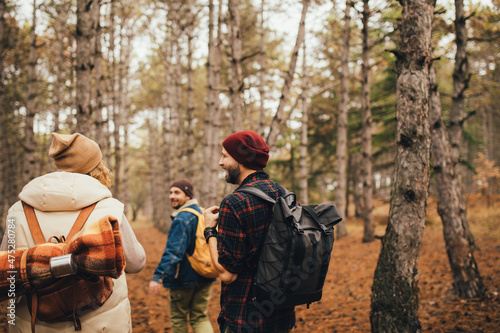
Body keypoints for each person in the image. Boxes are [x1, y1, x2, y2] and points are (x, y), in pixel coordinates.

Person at [0, 132, 146, 332]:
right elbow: (136, 263)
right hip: (102, 325)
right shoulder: (109, 207)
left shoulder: (17, 210)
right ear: (95, 165)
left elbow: (6, 268)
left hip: (33, 325)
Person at [203, 130, 296, 333]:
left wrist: (210, 230)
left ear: (241, 159)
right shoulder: (284, 195)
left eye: (225, 156)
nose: (220, 162)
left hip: (245, 318)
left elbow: (227, 274)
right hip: (281, 315)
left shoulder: (234, 203)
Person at [149, 179, 215, 333]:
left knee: (179, 318)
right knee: (200, 317)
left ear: (188, 196)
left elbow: (174, 251)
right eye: (171, 192)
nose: (172, 196)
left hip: (183, 277)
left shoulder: (182, 217)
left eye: (177, 192)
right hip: (205, 273)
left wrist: (158, 276)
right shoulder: (202, 213)